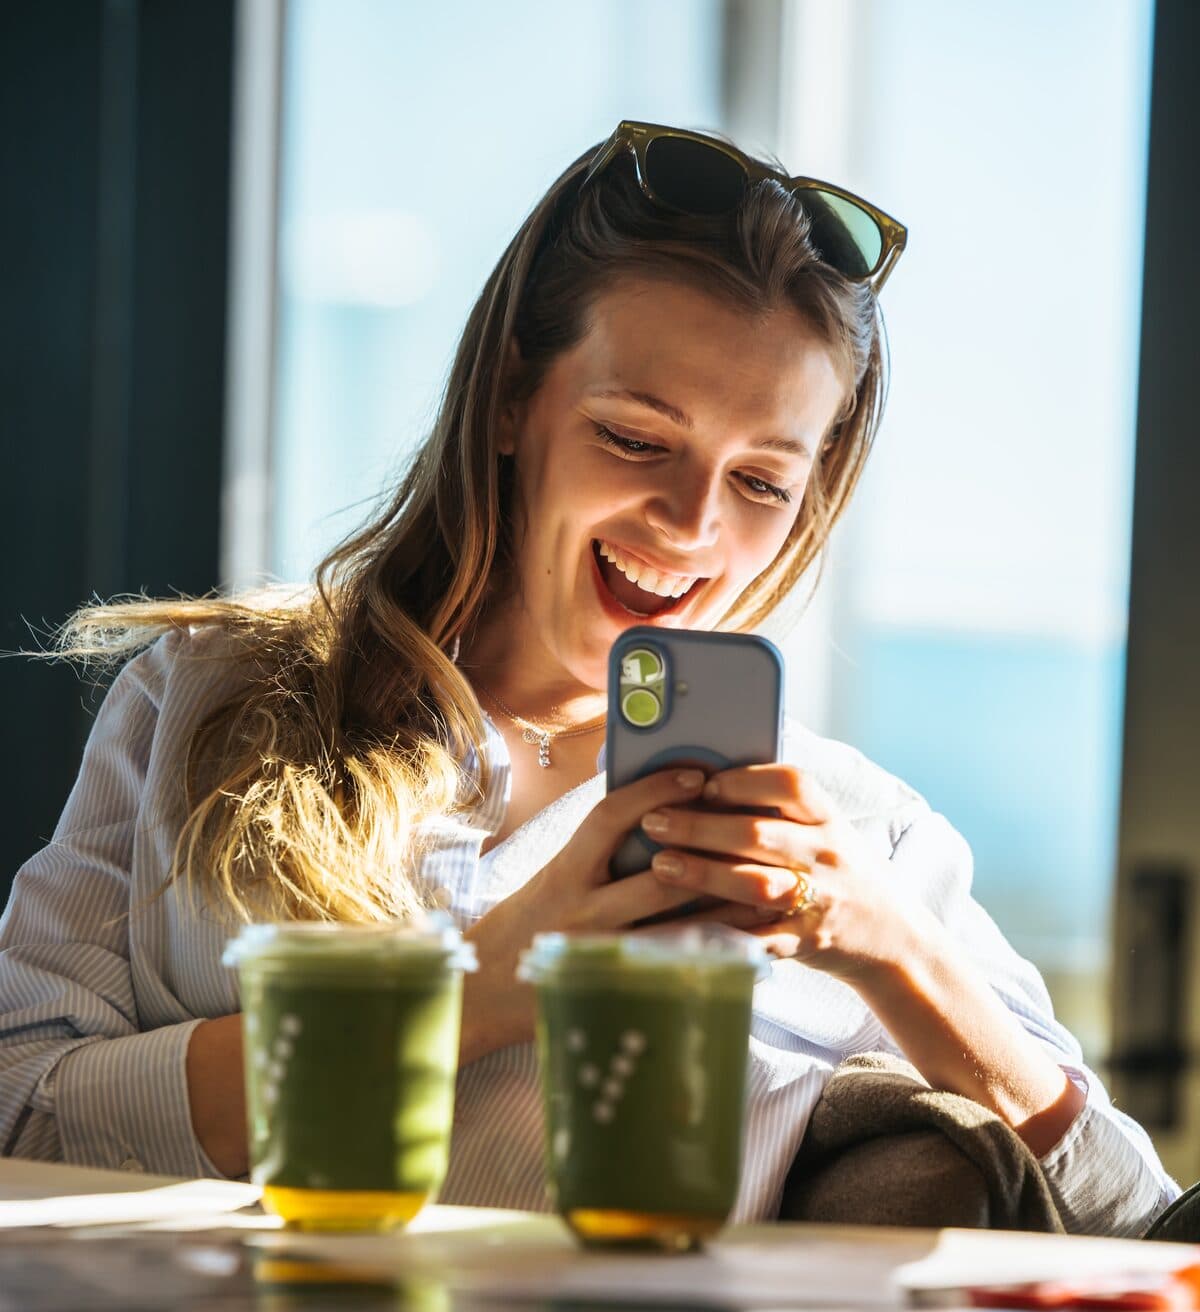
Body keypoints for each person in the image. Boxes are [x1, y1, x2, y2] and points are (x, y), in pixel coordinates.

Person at [0, 121, 1175, 1232]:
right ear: (512, 400)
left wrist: (897, 952)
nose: (690, 522)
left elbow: (1140, 1222)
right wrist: (477, 989)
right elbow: (19, 1105)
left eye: (762, 481)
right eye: (635, 437)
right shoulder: (205, 698)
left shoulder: (855, 837)